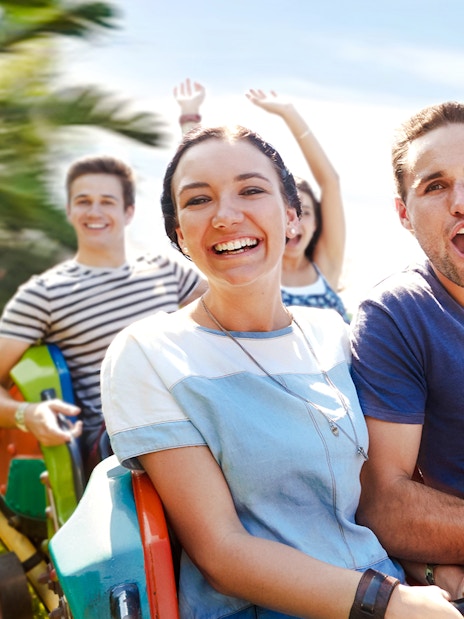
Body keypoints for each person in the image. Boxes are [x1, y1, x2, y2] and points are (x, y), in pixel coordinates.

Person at [101, 125, 459, 618]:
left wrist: (426, 567)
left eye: (251, 190)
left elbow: (360, 498)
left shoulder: (332, 333)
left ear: (291, 216)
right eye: (199, 200)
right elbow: (221, 553)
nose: (226, 216)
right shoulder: (148, 353)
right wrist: (388, 601)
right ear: (180, 232)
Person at [0, 155, 206, 479]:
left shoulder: (167, 268)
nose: (94, 212)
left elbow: (231, 311)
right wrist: (28, 414)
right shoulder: (44, 293)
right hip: (117, 440)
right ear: (70, 210)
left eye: (107, 202)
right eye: (84, 201)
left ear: (128, 212)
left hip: (190, 412)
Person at [350, 101, 464, 599]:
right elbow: (382, 501)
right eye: (435, 186)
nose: (460, 201)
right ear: (403, 213)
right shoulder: (397, 314)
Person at [246, 89, 349, 322]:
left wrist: (289, 113)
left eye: (306, 213)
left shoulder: (326, 266)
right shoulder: (257, 274)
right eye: (287, 212)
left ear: (317, 225)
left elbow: (330, 181)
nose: (295, 221)